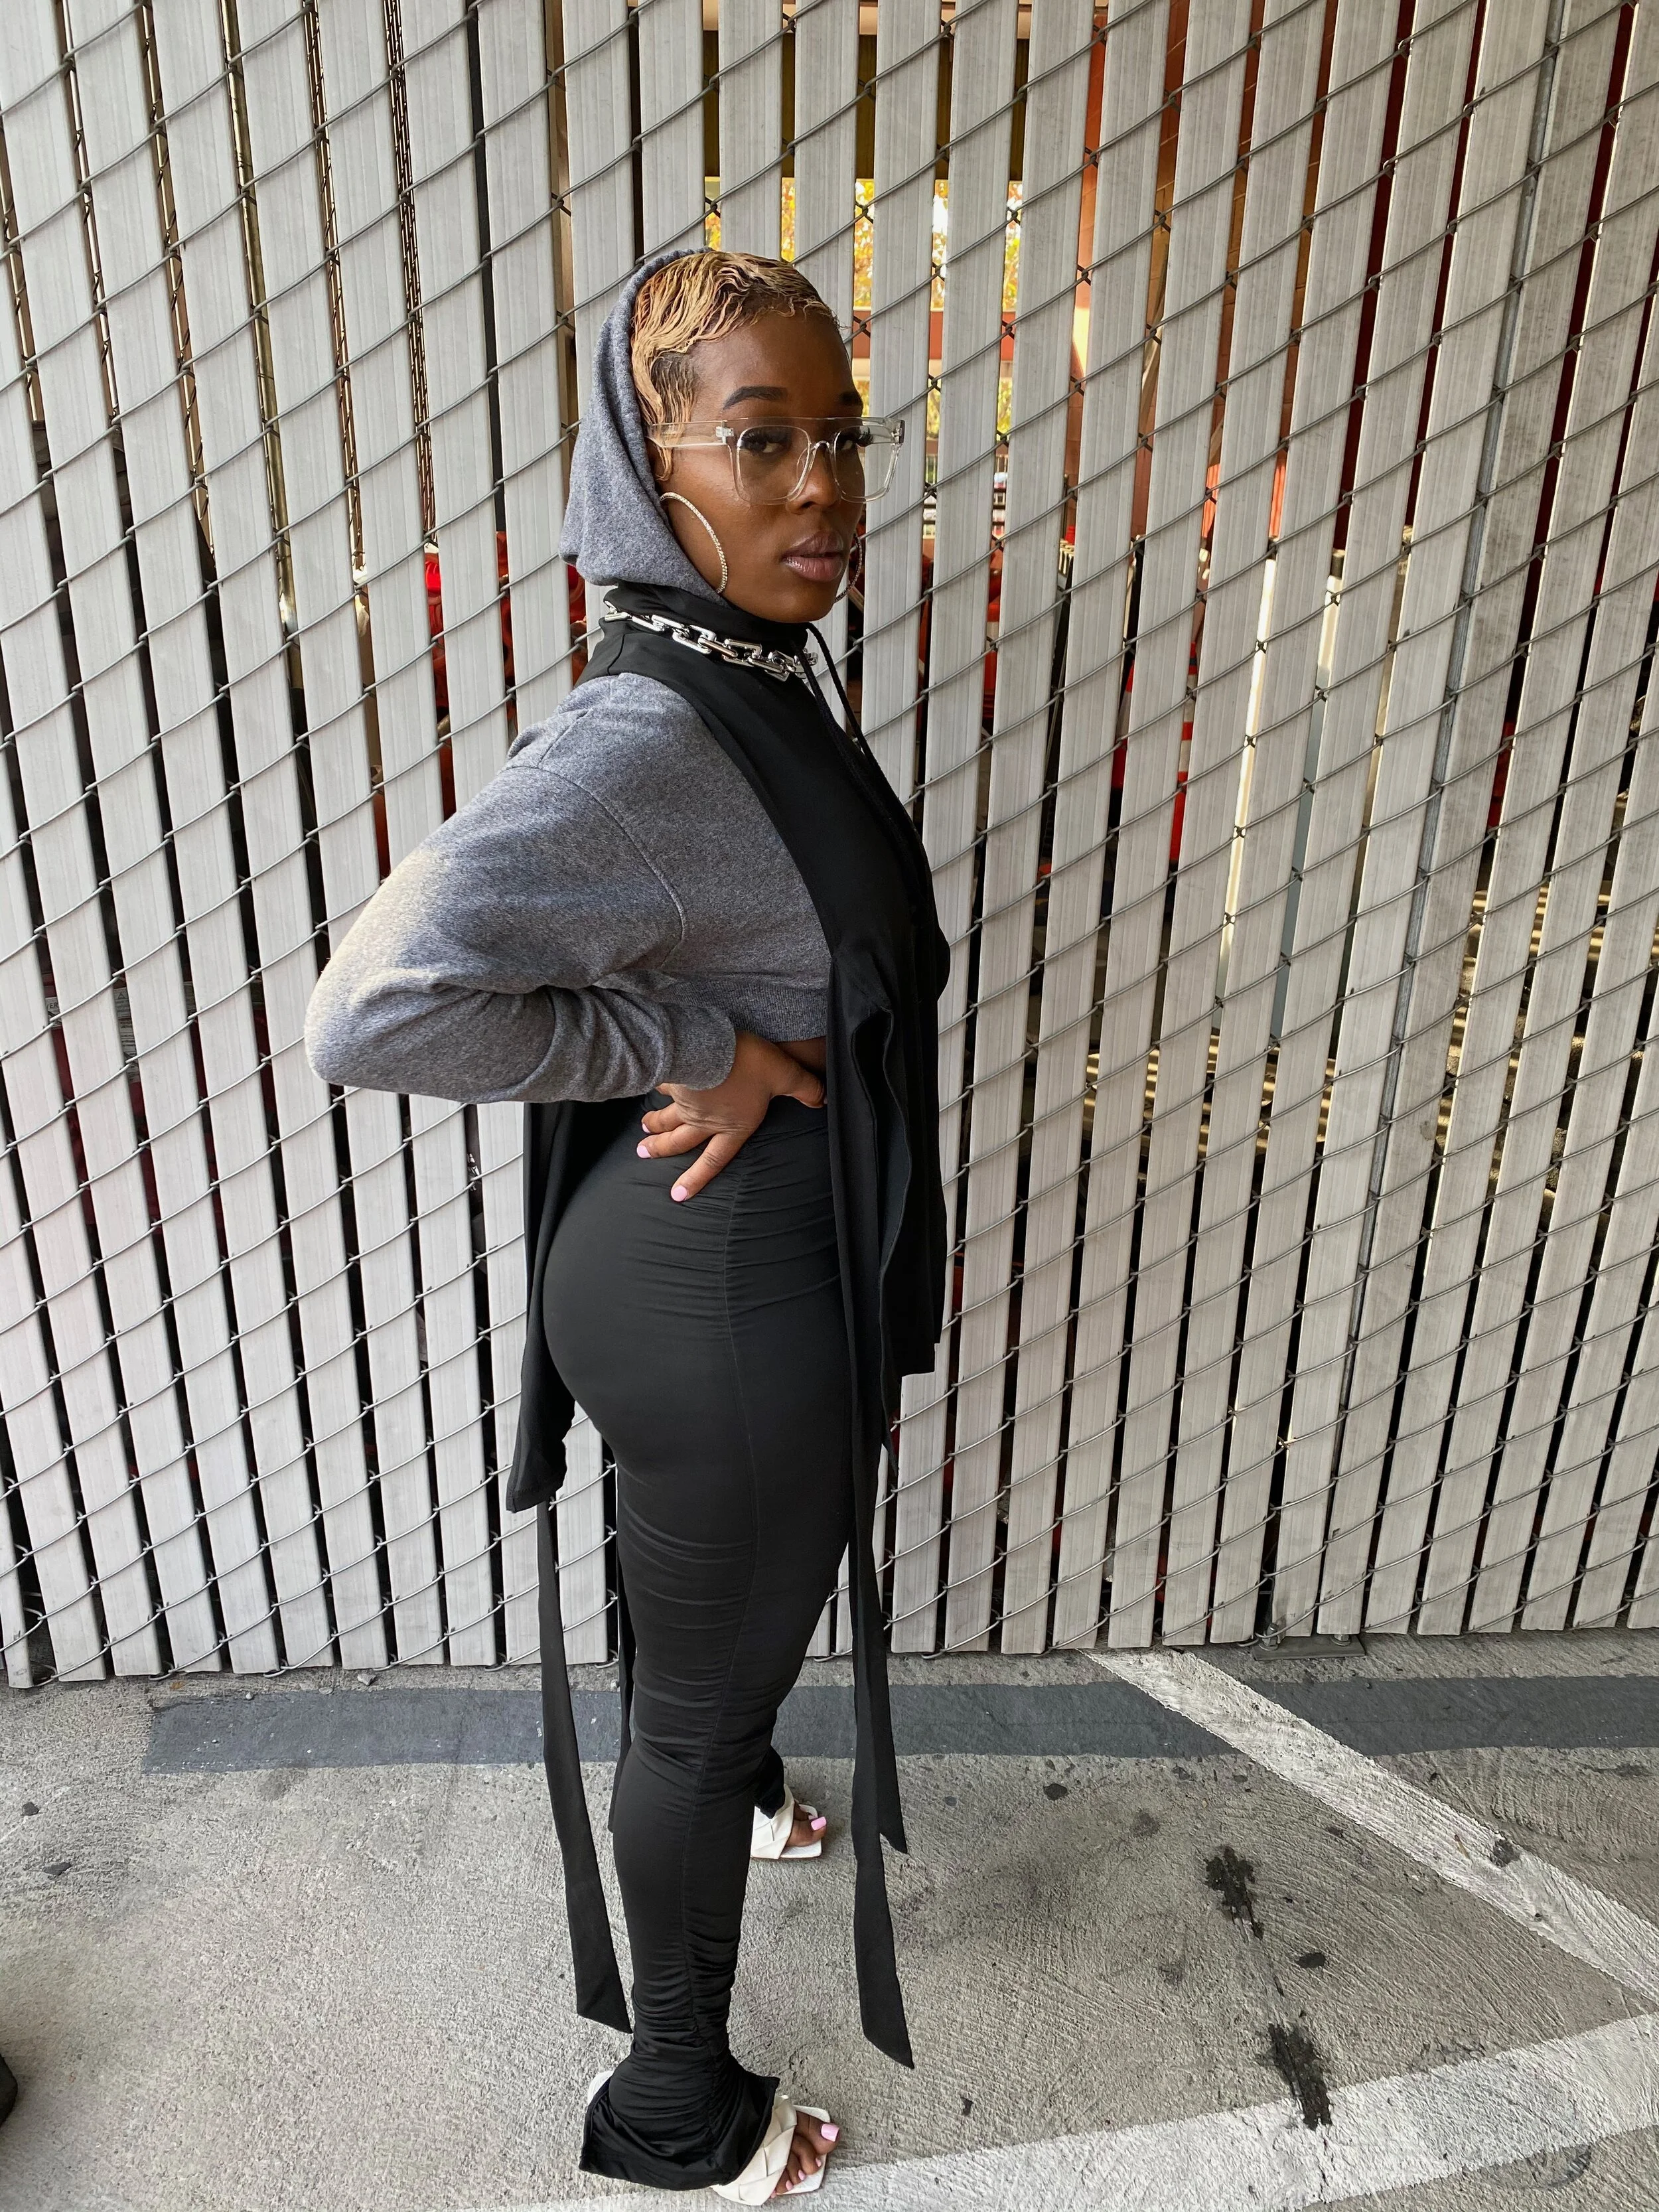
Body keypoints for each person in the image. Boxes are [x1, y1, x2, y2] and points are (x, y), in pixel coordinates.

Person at [304, 248, 948, 2200]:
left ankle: (740, 1786)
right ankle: (674, 2105)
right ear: (647, 467)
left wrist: (725, 1031)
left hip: (684, 1278)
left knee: (695, 1666)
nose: (822, 486)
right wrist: (699, 1033)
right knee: (695, 1703)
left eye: (839, 435)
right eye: (763, 440)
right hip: (727, 1301)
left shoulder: (735, 667)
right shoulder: (650, 734)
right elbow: (369, 1009)